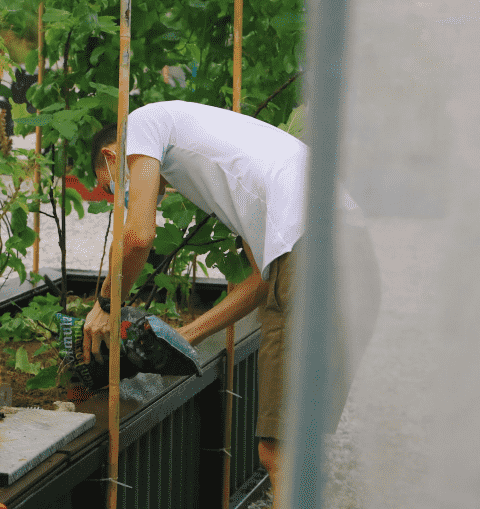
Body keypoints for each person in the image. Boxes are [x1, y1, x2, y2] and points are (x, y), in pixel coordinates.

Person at [82, 100, 380, 503]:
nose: (115, 194)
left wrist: (105, 305)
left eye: (108, 185)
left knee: (280, 450)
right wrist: (185, 333)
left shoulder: (142, 123)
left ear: (111, 155)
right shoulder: (241, 164)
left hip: (310, 260)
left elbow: (137, 236)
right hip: (354, 257)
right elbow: (260, 283)